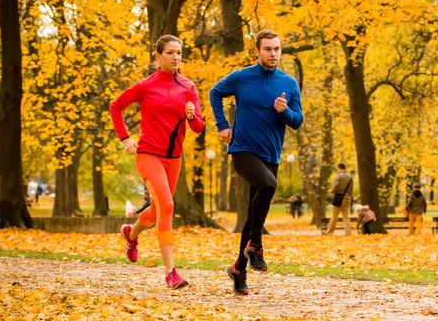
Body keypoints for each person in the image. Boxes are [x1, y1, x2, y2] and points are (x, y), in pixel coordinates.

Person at [209, 29, 303, 295]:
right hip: (242, 150)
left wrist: (285, 112)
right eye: (268, 49)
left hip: (270, 154)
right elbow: (215, 93)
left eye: (277, 49)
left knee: (253, 214)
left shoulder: (289, 83)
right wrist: (223, 125)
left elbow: (297, 121)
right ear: (257, 51)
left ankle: (238, 269)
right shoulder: (241, 77)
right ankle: (255, 245)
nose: (273, 54)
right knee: (269, 185)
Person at [110, 34, 203, 289]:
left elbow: (198, 128)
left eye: (179, 53)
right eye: (171, 52)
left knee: (159, 209)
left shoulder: (188, 87)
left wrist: (192, 116)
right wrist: (125, 138)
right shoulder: (145, 85)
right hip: (148, 154)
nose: (176, 57)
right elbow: (116, 107)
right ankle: (171, 272)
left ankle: (132, 233)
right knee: (168, 205)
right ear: (158, 56)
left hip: (174, 159)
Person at [323, 163, 353, 236]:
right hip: (348, 198)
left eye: (338, 169)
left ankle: (329, 232)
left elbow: (335, 186)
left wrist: (331, 191)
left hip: (339, 198)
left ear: (340, 168)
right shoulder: (350, 177)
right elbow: (351, 189)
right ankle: (348, 233)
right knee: (345, 216)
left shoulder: (339, 176)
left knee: (334, 216)